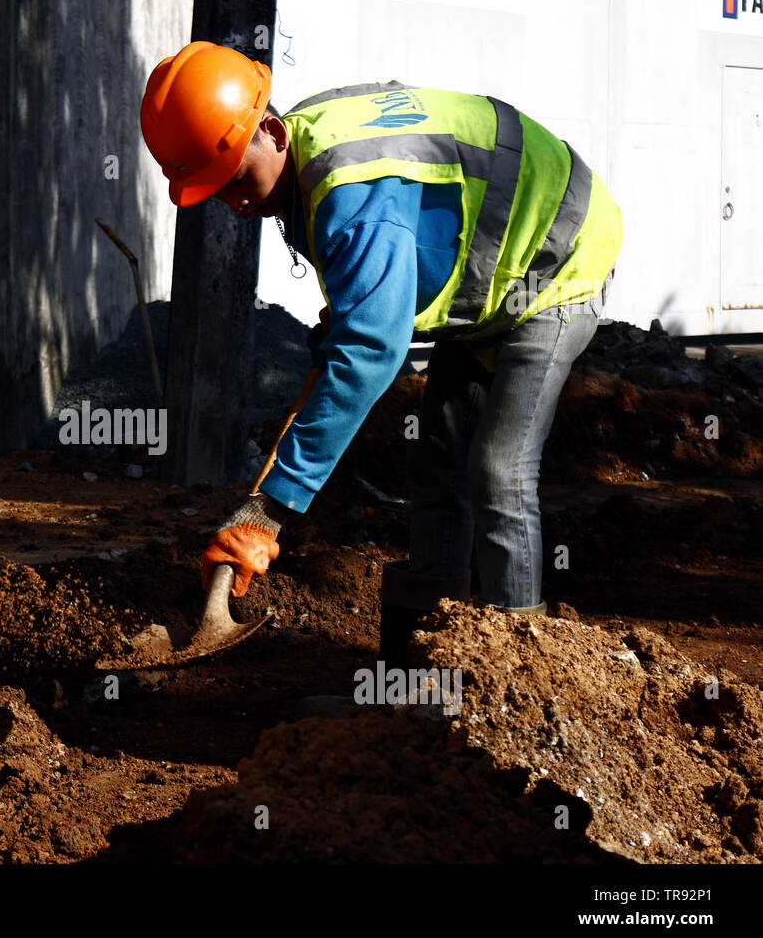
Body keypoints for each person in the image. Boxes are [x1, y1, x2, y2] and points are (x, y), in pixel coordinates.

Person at [139, 41, 621, 678]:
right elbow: (358, 309)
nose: (236, 204)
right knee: (439, 466)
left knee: (498, 470)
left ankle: (515, 686)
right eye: (215, 193)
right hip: (487, 276)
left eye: (234, 181)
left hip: (556, 260)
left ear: (273, 132)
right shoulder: (309, 156)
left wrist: (272, 508)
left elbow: (372, 347)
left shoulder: (348, 194)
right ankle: (418, 681)